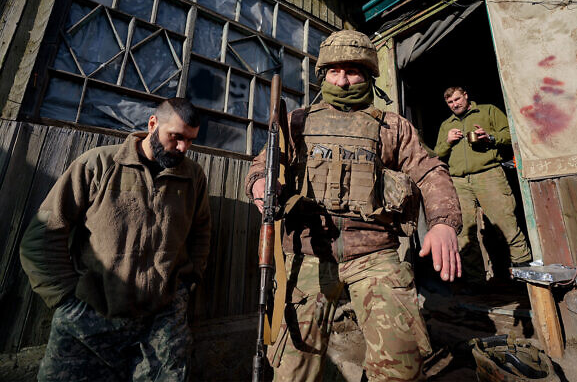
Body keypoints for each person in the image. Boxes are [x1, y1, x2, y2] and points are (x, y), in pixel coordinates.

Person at [246, 30, 462, 382]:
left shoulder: (392, 125)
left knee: (402, 367)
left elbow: (430, 170)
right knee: (291, 369)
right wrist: (259, 182)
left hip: (375, 253)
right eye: (334, 71)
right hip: (308, 253)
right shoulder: (298, 121)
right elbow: (265, 162)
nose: (343, 81)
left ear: (369, 74)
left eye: (352, 71)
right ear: (323, 75)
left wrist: (442, 222)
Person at [20, 98, 211, 381]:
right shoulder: (98, 164)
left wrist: (185, 287)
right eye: (177, 137)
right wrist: (66, 300)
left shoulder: (192, 176)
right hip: (89, 319)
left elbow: (201, 232)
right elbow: (42, 235)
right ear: (152, 124)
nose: (184, 147)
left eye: (191, 140)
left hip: (162, 322)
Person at [434, 87, 532, 283]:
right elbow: (437, 154)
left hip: (488, 174)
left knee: (506, 224)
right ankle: (476, 282)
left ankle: (525, 275)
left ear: (466, 95)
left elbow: (511, 134)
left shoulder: (488, 111)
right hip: (459, 182)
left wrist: (490, 137)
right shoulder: (447, 124)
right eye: (451, 103)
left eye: (457, 99)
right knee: (464, 232)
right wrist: (447, 141)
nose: (455, 105)